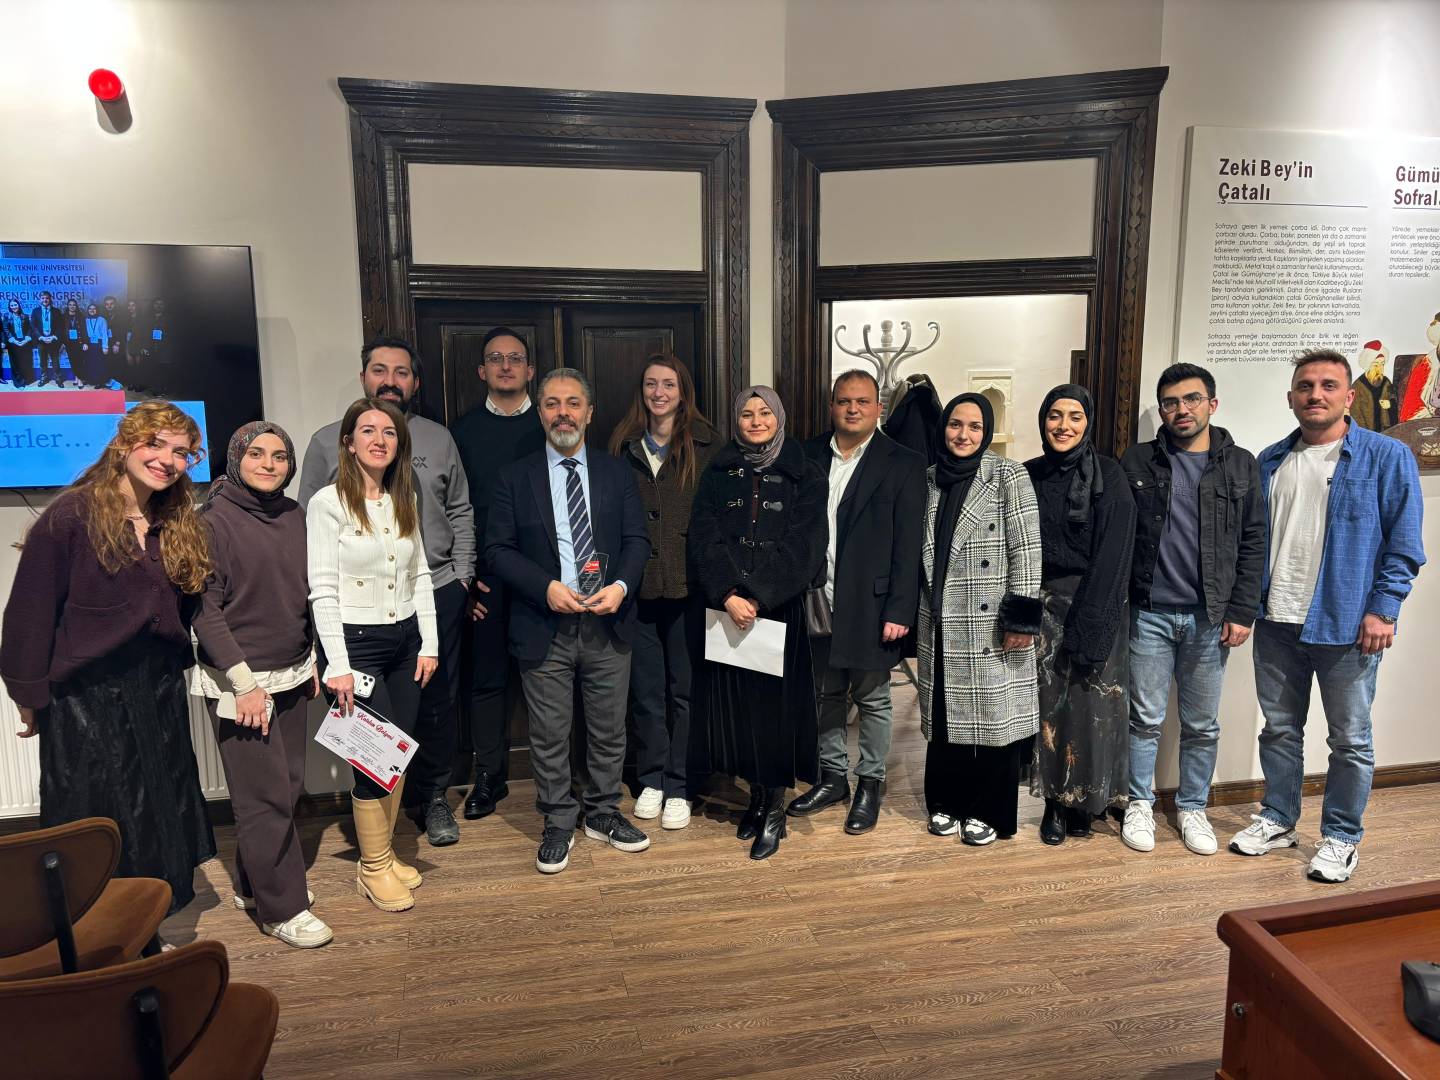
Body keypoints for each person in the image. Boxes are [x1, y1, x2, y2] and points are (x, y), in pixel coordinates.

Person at [0, 401, 216, 912]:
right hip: (88, 697)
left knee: (160, 806)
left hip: (157, 689)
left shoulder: (174, 519)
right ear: (124, 443)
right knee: (100, 813)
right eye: (155, 444)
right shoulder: (71, 516)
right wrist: (28, 696)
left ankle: (148, 917)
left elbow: (184, 606)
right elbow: (30, 612)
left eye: (181, 452)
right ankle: (97, 926)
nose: (167, 460)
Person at [1229, 349, 1425, 883]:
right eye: (1305, 386)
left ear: (1349, 395)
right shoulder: (1270, 459)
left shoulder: (1386, 456)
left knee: (1350, 740)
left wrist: (1383, 609)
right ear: (1291, 397)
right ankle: (1278, 818)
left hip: (1347, 624)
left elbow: (1404, 544)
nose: (1315, 394)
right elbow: (1253, 541)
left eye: (1328, 385)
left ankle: (1341, 836)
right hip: (1276, 621)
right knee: (1280, 730)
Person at [300, 337, 475, 847]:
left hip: (427, 601)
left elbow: (458, 512)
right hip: (356, 624)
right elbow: (316, 563)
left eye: (401, 372)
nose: (390, 380)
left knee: (427, 714)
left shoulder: (426, 460)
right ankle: (378, 854)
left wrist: (462, 578)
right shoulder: (325, 466)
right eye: (380, 369)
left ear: (414, 383)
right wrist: (332, 654)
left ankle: (429, 802)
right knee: (373, 742)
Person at [486, 367, 652, 875]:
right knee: (549, 734)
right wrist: (546, 588)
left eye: (573, 403)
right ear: (540, 413)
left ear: (589, 412)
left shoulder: (616, 473)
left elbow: (637, 541)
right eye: (553, 404)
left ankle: (602, 813)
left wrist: (620, 587)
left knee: (609, 731)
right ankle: (558, 820)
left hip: (607, 622)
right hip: (544, 625)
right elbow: (497, 550)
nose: (563, 413)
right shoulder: (513, 477)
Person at [192, 422, 331, 948]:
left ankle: (255, 884)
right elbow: (204, 612)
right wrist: (243, 683)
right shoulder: (211, 521)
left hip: (292, 671)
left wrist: (311, 658)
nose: (268, 464)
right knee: (263, 798)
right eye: (256, 454)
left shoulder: (294, 515)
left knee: (289, 787)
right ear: (235, 458)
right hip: (241, 683)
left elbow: (302, 595)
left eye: (279, 456)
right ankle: (282, 909)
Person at [1120, 364, 1265, 856]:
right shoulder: (1138, 460)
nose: (1181, 409)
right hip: (1150, 613)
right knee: (1144, 718)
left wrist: (1243, 610)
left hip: (1210, 617)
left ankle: (1192, 807)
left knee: (1202, 724)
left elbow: (1254, 541)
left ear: (1211, 404)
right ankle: (1139, 802)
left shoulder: (1240, 464)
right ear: (1162, 410)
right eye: (1170, 402)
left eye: (1191, 399)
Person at [308, 397, 439, 912]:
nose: (379, 440)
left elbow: (421, 574)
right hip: (354, 646)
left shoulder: (402, 496)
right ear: (348, 442)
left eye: (389, 432)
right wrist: (337, 665)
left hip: (405, 642)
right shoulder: (327, 503)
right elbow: (322, 589)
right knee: (372, 757)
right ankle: (373, 867)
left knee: (397, 752)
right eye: (368, 430)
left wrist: (429, 642)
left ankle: (385, 854)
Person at [689, 386, 827, 860]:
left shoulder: (806, 472)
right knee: (740, 713)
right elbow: (704, 535)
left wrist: (758, 595)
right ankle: (756, 798)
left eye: (764, 412)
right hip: (729, 610)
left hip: (778, 608)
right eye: (746, 414)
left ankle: (775, 809)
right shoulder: (719, 469)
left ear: (779, 417)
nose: (755, 421)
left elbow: (806, 545)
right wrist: (728, 593)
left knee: (775, 714)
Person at [787, 369, 926, 834]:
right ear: (832, 406)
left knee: (873, 698)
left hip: (873, 602)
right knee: (824, 694)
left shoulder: (903, 462)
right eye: (844, 401)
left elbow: (909, 544)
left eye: (862, 401)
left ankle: (869, 782)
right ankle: (832, 778)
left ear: (878, 408)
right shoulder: (806, 454)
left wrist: (900, 609)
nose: (852, 409)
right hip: (816, 599)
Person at [919, 394, 1042, 845]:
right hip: (940, 618)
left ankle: (990, 810)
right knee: (944, 717)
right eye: (956, 424)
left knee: (994, 720)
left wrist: (1021, 620)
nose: (964, 434)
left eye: (974, 426)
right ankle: (945, 802)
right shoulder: (930, 478)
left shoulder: (1008, 474)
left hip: (990, 621)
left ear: (986, 431)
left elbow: (1026, 549)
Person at [608, 352, 718, 831]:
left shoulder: (708, 444)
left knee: (686, 692)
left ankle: (680, 782)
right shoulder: (622, 445)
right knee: (646, 692)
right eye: (651, 384)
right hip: (638, 589)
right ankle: (651, 776)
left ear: (683, 391)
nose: (659, 392)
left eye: (668, 384)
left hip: (691, 588)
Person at [1025, 384, 1136, 845]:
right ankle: (1054, 803)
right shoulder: (1028, 474)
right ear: (1043, 420)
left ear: (1088, 422)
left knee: (1093, 708)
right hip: (1044, 607)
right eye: (1055, 415)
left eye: (1074, 416)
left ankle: (1087, 803)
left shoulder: (1109, 475)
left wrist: (1090, 624)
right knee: (1051, 709)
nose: (1063, 426)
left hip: (1098, 603)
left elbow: (1115, 553)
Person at [449, 326, 544, 820]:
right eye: (495, 358)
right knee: (486, 682)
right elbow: (453, 511)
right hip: (486, 583)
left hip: (547, 582)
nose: (506, 366)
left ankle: (558, 778)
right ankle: (489, 777)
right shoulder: (461, 433)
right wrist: (466, 580)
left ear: (530, 370)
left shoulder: (551, 427)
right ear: (481, 370)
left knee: (551, 680)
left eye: (515, 358)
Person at [1349, 341, 1396, 432]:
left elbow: (1396, 403)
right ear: (1367, 365)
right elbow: (1355, 416)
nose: (1379, 368)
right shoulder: (1357, 386)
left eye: (1382, 364)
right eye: (1375, 365)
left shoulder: (1386, 382)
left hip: (1386, 432)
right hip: (1367, 433)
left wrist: (1390, 405)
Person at [31, 291, 61, 386]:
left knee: (55, 360)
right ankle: (44, 378)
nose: (45, 300)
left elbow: (60, 326)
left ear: (50, 299)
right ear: (40, 300)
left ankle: (58, 378)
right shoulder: (35, 311)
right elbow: (33, 326)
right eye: (43, 298)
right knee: (42, 361)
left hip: (53, 340)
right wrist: (41, 337)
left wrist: (54, 337)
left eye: (47, 298)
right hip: (41, 340)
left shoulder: (56, 311)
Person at [79, 302, 111, 389]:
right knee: (90, 363)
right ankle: (91, 380)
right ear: (88, 310)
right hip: (89, 344)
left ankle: (99, 381)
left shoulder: (102, 320)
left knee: (99, 364)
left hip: (99, 344)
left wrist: (105, 346)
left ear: (97, 310)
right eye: (90, 309)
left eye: (94, 309)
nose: (92, 310)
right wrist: (84, 343)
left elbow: (104, 334)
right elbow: (84, 333)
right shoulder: (86, 320)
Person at [4, 299, 33, 386]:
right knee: (15, 363)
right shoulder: (7, 316)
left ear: (18, 305)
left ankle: (25, 380)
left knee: (24, 362)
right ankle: (18, 382)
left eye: (15, 305)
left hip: (24, 341)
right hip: (13, 342)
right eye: (12, 305)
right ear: (10, 307)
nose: (14, 307)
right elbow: (6, 329)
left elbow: (29, 329)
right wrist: (14, 340)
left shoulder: (25, 316)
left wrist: (26, 339)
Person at [60, 298, 84, 385]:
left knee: (79, 361)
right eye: (70, 305)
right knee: (72, 361)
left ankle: (80, 379)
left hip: (79, 342)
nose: (72, 306)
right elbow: (61, 330)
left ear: (76, 306)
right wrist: (63, 342)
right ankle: (76, 377)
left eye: (74, 305)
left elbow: (84, 330)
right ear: (68, 306)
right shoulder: (63, 317)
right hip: (68, 342)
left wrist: (84, 342)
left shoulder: (80, 316)